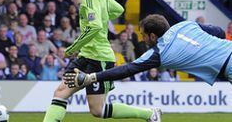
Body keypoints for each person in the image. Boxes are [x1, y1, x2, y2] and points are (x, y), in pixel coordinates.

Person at [15, 0, 161, 122]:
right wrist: (102, 12)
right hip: (87, 56)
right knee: (61, 92)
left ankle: (149, 113)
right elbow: (118, 10)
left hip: (99, 57)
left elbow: (94, 28)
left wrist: (72, 48)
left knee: (97, 110)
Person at [64, 14, 232, 96]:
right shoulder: (185, 25)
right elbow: (219, 32)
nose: (143, 39)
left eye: (144, 35)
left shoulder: (159, 53)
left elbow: (127, 70)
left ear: (153, 36)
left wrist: (91, 78)